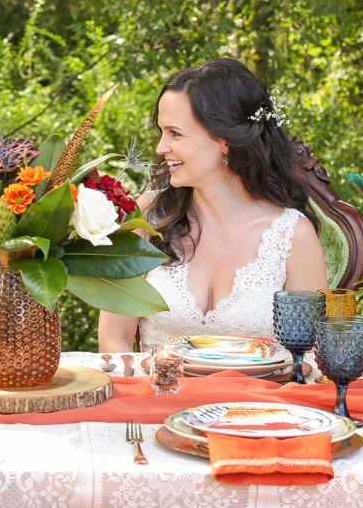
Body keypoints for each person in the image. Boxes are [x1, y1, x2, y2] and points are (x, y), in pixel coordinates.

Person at [97, 57, 329, 356]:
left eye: (175, 133)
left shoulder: (292, 234)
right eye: (162, 132)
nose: (160, 147)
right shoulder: (147, 218)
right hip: (159, 395)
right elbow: (114, 338)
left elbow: (309, 355)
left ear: (224, 141)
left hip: (257, 402)